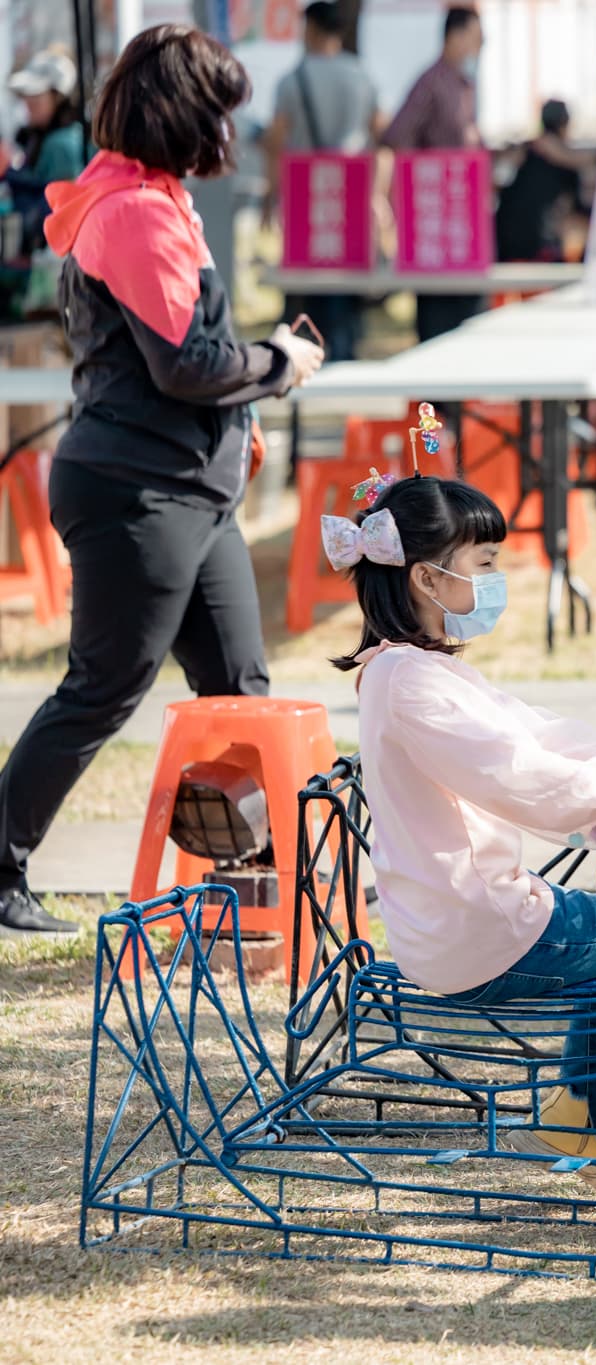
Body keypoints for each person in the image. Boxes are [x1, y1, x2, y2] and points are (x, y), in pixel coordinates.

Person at [330, 472, 596, 1202]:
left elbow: (539, 732)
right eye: (485, 565)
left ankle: (579, 1119)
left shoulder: (412, 671)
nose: (498, 581)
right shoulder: (412, 684)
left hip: (463, 916)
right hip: (475, 927)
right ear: (429, 578)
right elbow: (520, 777)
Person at [0, 25, 325, 937]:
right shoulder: (135, 211)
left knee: (238, 686)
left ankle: (266, 880)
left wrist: (245, 410)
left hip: (185, 485)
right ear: (183, 114)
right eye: (220, 112)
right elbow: (186, 363)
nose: (229, 131)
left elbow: (178, 366)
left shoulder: (145, 195)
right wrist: (279, 361)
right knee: (105, 685)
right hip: (138, 491)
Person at [264, 1, 381, 361]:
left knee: (307, 287)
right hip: (351, 193)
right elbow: (379, 131)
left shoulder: (292, 80)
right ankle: (345, 357)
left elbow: (277, 141)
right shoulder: (362, 75)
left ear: (311, 30)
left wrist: (272, 195)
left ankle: (308, 361)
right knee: (346, 288)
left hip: (306, 196)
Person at [382, 5, 484, 340]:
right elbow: (398, 136)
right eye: (475, 39)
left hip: (463, 218)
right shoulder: (431, 82)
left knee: (468, 322)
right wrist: (429, 176)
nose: (478, 48)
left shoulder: (464, 84)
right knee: (438, 324)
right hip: (436, 221)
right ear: (455, 37)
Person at [5, 49, 88, 254]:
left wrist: (9, 173)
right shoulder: (42, 137)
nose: (28, 104)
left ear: (57, 97)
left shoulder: (62, 143)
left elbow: (57, 209)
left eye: (36, 97)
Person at [494, 99, 587, 263]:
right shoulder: (566, 162)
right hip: (541, 252)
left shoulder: (522, 152)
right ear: (565, 125)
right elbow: (578, 213)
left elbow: (498, 184)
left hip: (506, 245)